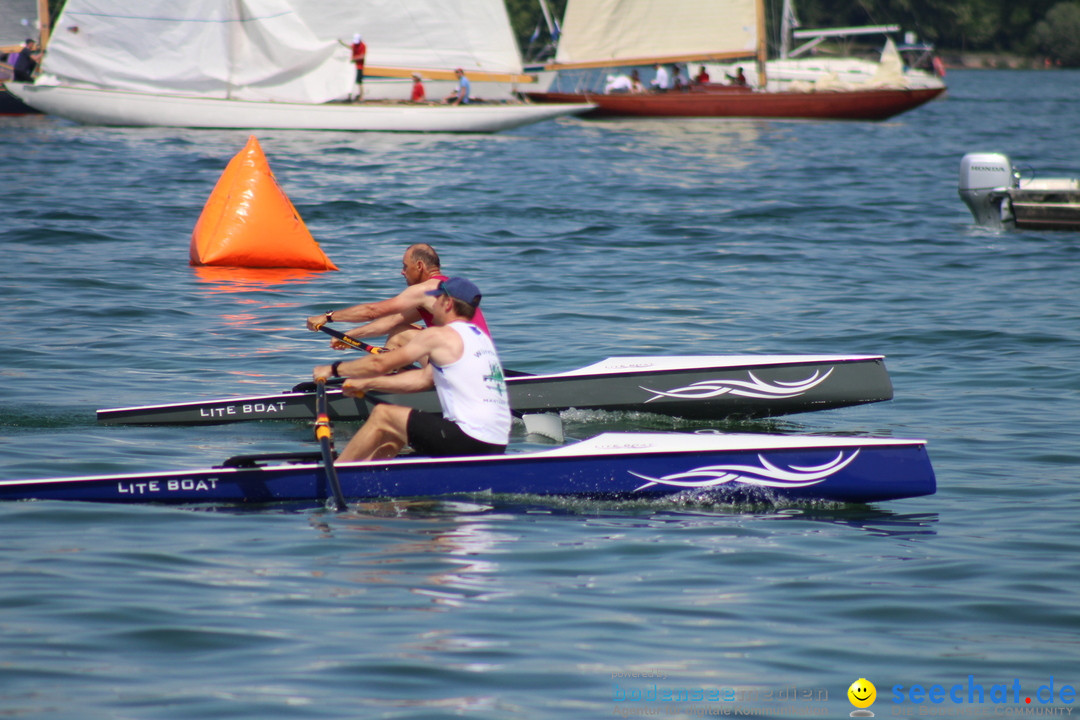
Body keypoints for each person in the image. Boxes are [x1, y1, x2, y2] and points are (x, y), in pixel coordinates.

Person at [313, 277, 510, 462]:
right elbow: (422, 380)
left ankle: (337, 475)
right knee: (396, 430)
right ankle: (370, 478)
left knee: (384, 414)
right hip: (497, 443)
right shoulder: (481, 339)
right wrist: (368, 383)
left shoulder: (439, 335)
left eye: (438, 300)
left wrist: (333, 369)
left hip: (469, 439)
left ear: (448, 304)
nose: (434, 306)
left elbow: (379, 363)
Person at [306, 243, 490, 351]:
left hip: (460, 360)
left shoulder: (424, 290)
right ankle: (397, 381)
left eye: (405, 266)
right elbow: (391, 321)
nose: (402, 272)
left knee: (398, 335)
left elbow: (372, 312)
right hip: (482, 358)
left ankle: (389, 390)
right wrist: (348, 336)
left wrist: (328, 317)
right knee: (401, 328)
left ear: (419, 266)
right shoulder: (450, 288)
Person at [349, 33, 366, 101]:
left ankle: (361, 96)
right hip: (352, 67)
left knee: (359, 82)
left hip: (359, 67)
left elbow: (362, 56)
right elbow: (349, 48)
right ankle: (349, 96)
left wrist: (353, 58)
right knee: (351, 81)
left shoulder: (363, 46)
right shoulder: (353, 45)